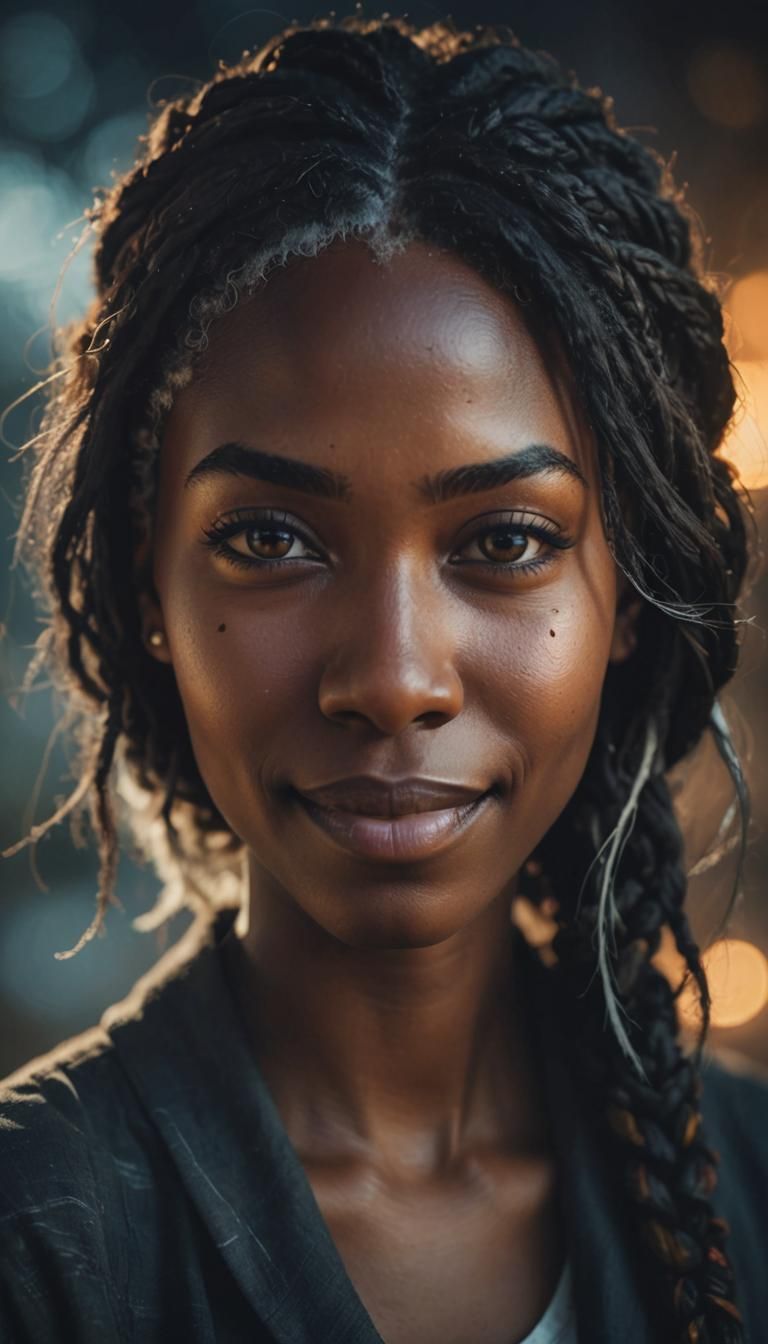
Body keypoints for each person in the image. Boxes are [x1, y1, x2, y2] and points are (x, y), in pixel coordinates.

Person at [1, 14, 766, 1344]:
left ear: (627, 597)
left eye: (506, 543)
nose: (395, 678)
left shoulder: (752, 1187)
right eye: (270, 541)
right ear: (150, 594)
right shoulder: (38, 1247)